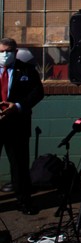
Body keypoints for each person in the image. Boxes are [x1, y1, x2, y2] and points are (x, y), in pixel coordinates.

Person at [0, 37, 44, 215]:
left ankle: (24, 201)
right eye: (1, 51)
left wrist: (17, 106)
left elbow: (37, 92)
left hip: (17, 124)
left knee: (19, 166)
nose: (4, 55)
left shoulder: (27, 70)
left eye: (8, 51)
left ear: (15, 52)